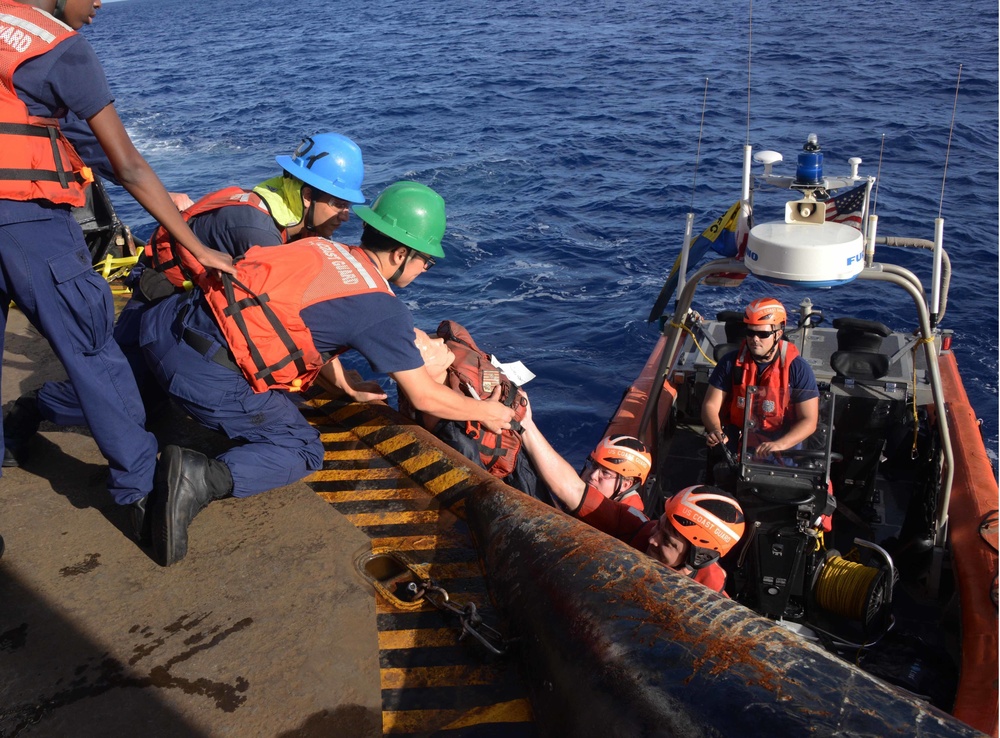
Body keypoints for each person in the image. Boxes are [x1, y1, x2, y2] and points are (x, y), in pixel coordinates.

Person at [137, 181, 518, 566]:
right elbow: (424, 396)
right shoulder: (381, 307)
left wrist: (343, 382)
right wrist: (490, 412)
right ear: (401, 253)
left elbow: (297, 318)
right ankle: (198, 477)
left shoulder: (318, 246)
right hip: (200, 374)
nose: (425, 269)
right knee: (303, 448)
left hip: (162, 328)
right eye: (426, 260)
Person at [0, 0, 234, 516]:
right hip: (25, 221)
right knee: (91, 346)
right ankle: (142, 489)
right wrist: (196, 245)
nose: (100, 2)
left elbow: (74, 137)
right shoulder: (60, 49)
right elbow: (125, 164)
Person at [3, 132, 366, 464]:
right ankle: (32, 409)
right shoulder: (258, 233)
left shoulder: (281, 215)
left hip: (181, 314)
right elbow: (285, 316)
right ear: (307, 195)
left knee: (145, 403)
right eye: (337, 203)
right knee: (117, 403)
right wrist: (338, 377)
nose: (345, 215)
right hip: (157, 312)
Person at [518, 397, 744, 593]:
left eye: (668, 541)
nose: (652, 538)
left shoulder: (710, 601)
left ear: (699, 558)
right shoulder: (637, 526)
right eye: (660, 525)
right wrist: (525, 424)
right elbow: (574, 491)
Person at [399, 322, 557, 507]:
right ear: (418, 370)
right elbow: (478, 490)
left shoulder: (450, 380)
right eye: (430, 345)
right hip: (511, 481)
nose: (439, 340)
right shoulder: (453, 430)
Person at [701, 297, 819, 460]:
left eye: (763, 334)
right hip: (738, 436)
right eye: (750, 332)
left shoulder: (798, 368)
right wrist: (716, 431)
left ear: (779, 333)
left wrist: (780, 445)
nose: (755, 339)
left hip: (780, 439)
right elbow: (711, 405)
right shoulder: (730, 362)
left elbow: (809, 420)